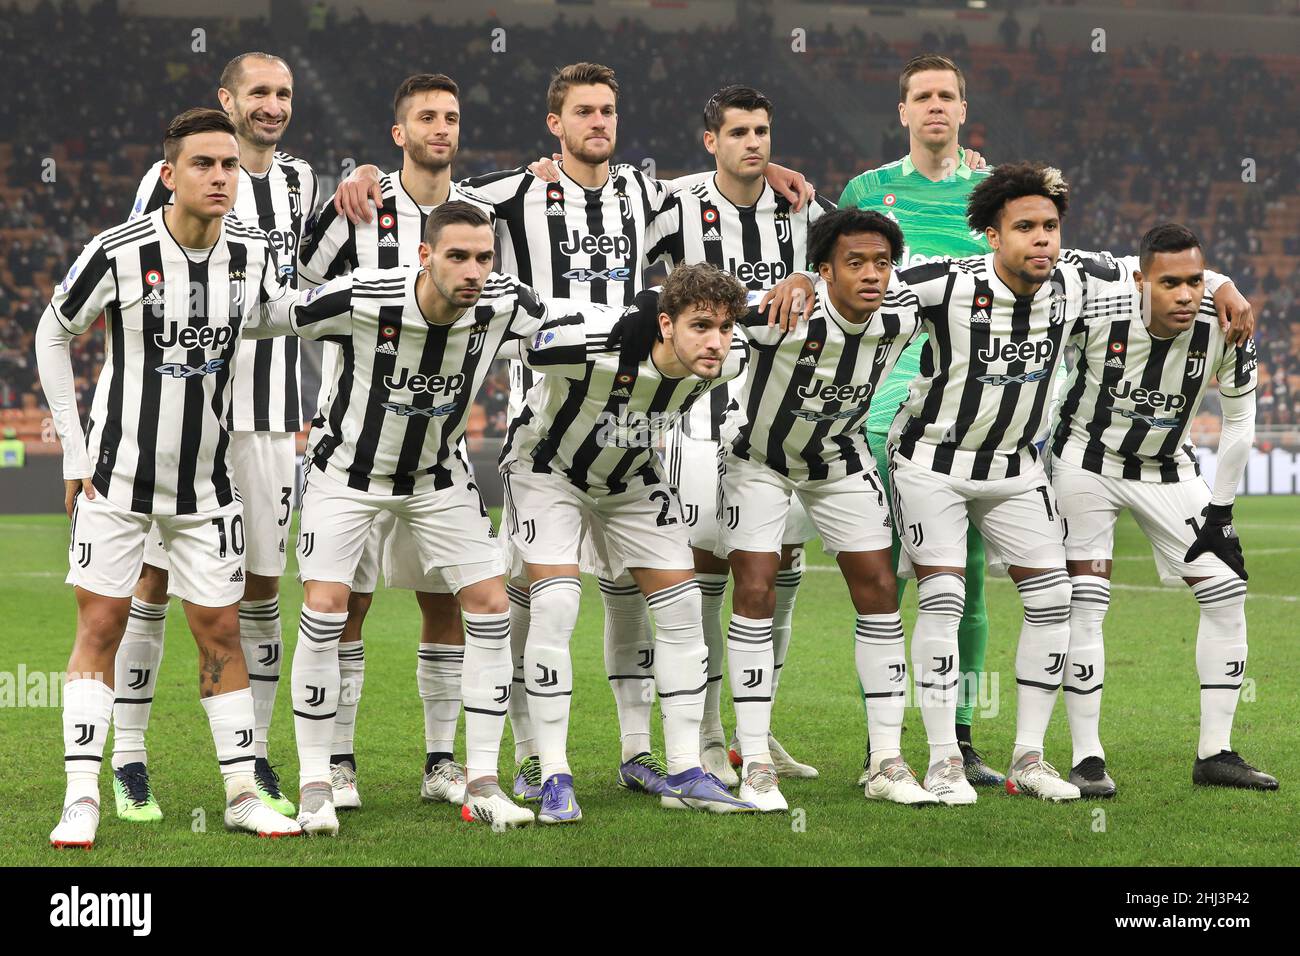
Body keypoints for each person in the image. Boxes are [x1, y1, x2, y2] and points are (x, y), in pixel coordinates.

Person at [333, 63, 814, 802]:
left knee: (632, 594)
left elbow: (713, 189)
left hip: (635, 417)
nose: (600, 123)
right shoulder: (510, 192)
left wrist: (764, 165)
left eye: (608, 112)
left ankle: (644, 753)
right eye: (584, 112)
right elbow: (431, 195)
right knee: (540, 597)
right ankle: (536, 759)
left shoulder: (644, 193)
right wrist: (369, 170)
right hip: (549, 411)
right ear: (555, 124)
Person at [38, 109, 302, 847]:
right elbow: (53, 331)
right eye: (203, 165)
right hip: (116, 482)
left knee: (222, 631)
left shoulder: (250, 255)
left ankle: (243, 792)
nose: (220, 177)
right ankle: (82, 796)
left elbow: (277, 317)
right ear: (169, 174)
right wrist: (73, 447)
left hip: (207, 486)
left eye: (228, 166)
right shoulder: (118, 250)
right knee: (100, 625)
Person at [252, 202, 561, 833]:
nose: (474, 270)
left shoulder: (505, 304)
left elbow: (570, 326)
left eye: (483, 257)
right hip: (345, 477)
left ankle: (480, 780)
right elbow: (269, 315)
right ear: (425, 255)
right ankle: (316, 781)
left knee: (490, 604)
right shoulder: (364, 297)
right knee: (329, 605)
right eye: (458, 256)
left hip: (437, 477)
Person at [498, 262, 779, 821]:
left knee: (682, 611)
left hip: (632, 480)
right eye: (701, 326)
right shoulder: (589, 340)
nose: (716, 342)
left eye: (725, 328)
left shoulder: (732, 360)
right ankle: (547, 769)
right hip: (546, 471)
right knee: (552, 603)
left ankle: (684, 769)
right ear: (666, 323)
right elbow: (503, 332)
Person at [115, 51, 318, 821]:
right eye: (258, 93)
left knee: (261, 591)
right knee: (152, 587)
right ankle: (129, 759)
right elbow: (133, 286)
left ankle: (254, 760)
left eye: (283, 94)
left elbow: (313, 283)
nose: (271, 105)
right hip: (185, 422)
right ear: (226, 99)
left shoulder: (300, 184)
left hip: (269, 422)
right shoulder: (174, 177)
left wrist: (366, 179)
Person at [297, 72, 496, 811]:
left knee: (445, 603)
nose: (441, 129)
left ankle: (442, 764)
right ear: (398, 132)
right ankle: (338, 764)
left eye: (450, 116)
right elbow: (293, 291)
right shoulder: (354, 205)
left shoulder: (480, 206)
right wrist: (355, 179)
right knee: (345, 605)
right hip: (353, 446)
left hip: (438, 456)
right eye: (425, 118)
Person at [645, 84, 835, 785]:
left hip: (781, 418)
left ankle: (757, 727)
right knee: (708, 573)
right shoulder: (675, 201)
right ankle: (702, 730)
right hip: (699, 415)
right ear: (711, 141)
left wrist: (810, 277)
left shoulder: (801, 205)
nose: (754, 143)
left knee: (779, 572)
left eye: (763, 131)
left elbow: (853, 256)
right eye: (739, 133)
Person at [717, 208, 937, 808]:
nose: (872, 274)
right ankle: (755, 759)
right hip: (757, 459)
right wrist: (789, 282)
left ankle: (887, 761)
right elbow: (703, 311)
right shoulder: (780, 313)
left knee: (879, 588)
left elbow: (975, 272)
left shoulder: (904, 310)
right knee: (757, 590)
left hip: (838, 460)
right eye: (855, 263)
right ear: (825, 270)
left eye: (882, 263)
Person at [1049, 222, 1276, 795]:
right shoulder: (1103, 301)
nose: (1184, 294)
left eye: (1195, 281)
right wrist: (1223, 279)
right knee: (1087, 599)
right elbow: (1061, 263)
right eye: (1169, 282)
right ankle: (1087, 758)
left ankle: (1215, 753)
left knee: (1226, 588)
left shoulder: (1226, 324)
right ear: (1140, 279)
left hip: (1170, 467)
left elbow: (1240, 421)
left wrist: (1221, 513)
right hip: (1087, 462)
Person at [837, 54, 1000, 787]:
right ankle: (884, 744)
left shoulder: (991, 194)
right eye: (922, 96)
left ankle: (958, 735)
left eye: (947, 96)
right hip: (880, 409)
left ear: (964, 110)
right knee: (885, 577)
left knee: (963, 579)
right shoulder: (870, 192)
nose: (935, 106)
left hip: (966, 410)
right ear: (902, 111)